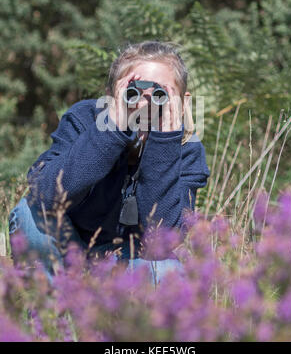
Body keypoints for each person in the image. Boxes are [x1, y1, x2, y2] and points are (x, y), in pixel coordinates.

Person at [8, 41, 210, 284]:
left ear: (183, 102)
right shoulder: (84, 119)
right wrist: (112, 128)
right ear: (111, 94)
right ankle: (51, 312)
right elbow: (47, 194)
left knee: (166, 272)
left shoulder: (186, 149)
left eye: (161, 95)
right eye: (133, 92)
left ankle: (124, 318)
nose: (145, 104)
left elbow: (162, 240)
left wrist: (164, 141)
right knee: (30, 213)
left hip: (130, 260)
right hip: (71, 246)